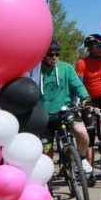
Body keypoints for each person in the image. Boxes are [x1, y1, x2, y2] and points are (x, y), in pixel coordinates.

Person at [32, 41, 92, 178]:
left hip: (65, 111)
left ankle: (81, 159)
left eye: (57, 54)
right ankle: (48, 192)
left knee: (82, 133)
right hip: (43, 117)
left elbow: (77, 85)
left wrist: (86, 97)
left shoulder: (66, 68)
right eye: (50, 54)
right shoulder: (35, 71)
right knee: (47, 155)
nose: (54, 57)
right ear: (43, 55)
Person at [76, 34, 101, 173]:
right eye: (98, 46)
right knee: (90, 133)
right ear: (90, 48)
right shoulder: (82, 63)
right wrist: (82, 102)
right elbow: (78, 85)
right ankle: (89, 169)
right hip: (89, 99)